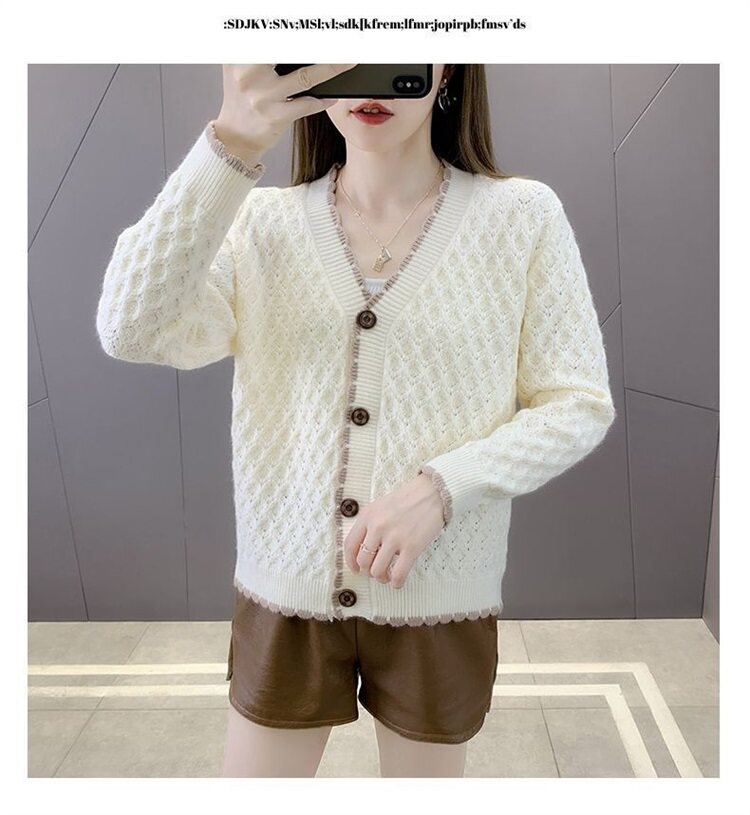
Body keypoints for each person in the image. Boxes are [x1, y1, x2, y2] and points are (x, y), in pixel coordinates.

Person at [95, 63, 616, 778]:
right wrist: (231, 144)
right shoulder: (261, 223)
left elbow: (577, 402)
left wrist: (442, 489)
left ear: (446, 67)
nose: (369, 78)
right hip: (286, 591)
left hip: (439, 592)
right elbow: (131, 326)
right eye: (345, 51)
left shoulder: (522, 217)